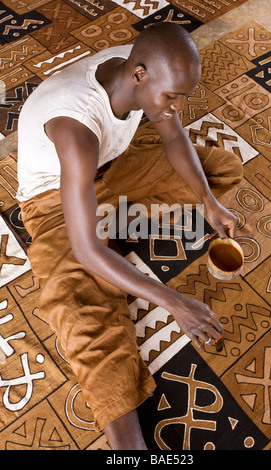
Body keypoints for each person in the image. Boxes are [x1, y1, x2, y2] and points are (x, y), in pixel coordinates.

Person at [17, 23, 243, 450]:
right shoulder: (74, 124)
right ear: (139, 75)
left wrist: (209, 202)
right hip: (51, 199)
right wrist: (175, 302)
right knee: (78, 305)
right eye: (171, 96)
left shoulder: (139, 64)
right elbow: (84, 248)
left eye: (182, 96)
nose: (176, 106)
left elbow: (173, 132)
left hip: (108, 166)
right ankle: (129, 449)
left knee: (221, 168)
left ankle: (110, 225)